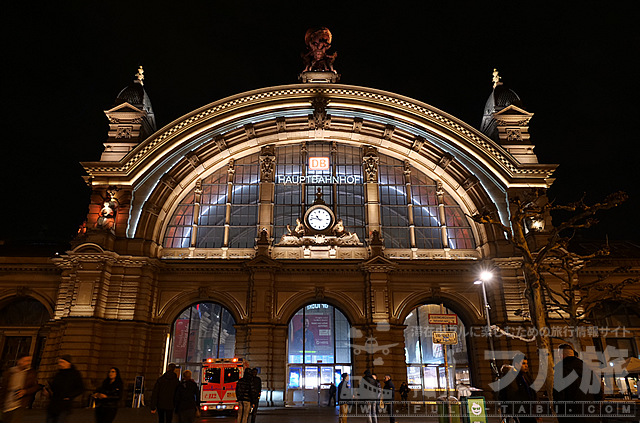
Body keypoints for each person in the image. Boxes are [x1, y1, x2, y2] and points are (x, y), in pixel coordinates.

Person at [554, 344, 602, 423]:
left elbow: (559, 397)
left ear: (561, 355)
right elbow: (598, 394)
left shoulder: (560, 371)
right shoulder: (588, 370)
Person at [498, 354, 539, 423]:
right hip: (519, 412)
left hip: (528, 410)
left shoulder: (525, 375)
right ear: (516, 364)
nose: (526, 366)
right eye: (523, 363)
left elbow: (532, 392)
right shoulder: (511, 376)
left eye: (526, 363)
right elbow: (511, 395)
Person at [43, 355, 84, 423]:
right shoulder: (57, 374)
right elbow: (53, 388)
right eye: (59, 362)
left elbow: (80, 388)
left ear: (68, 363)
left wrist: (69, 396)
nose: (59, 364)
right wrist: (48, 392)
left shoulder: (75, 374)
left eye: (62, 362)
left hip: (64, 405)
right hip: (53, 405)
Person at [0, 354, 40, 423]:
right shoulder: (9, 372)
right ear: (19, 361)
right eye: (25, 361)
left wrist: (25, 391)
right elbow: (3, 388)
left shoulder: (30, 373)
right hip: (6, 403)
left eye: (29, 361)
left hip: (20, 404)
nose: (27, 363)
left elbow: (35, 387)